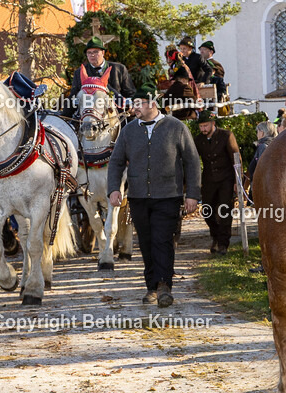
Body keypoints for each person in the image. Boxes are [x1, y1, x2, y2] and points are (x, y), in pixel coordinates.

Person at [108, 84, 201, 308]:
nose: (134, 108)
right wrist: (113, 189)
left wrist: (193, 194)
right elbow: (116, 161)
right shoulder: (128, 131)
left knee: (163, 240)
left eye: (138, 103)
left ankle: (164, 286)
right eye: (133, 104)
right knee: (147, 242)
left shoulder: (175, 127)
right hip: (139, 196)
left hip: (168, 195)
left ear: (152, 104)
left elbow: (192, 160)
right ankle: (151, 286)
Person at [194, 111, 240, 255]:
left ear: (213, 124)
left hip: (226, 179)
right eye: (201, 126)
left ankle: (223, 243)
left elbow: (236, 159)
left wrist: (237, 181)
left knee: (225, 211)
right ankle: (215, 236)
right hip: (208, 180)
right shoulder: (198, 140)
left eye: (206, 125)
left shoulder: (226, 136)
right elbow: (194, 160)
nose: (203, 129)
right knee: (207, 211)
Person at [62, 36, 135, 117]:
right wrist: (63, 118)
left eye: (96, 52)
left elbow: (130, 93)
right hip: (88, 117)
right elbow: (73, 96)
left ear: (103, 53)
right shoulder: (79, 72)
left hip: (117, 117)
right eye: (89, 53)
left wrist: (131, 107)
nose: (92, 55)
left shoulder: (119, 69)